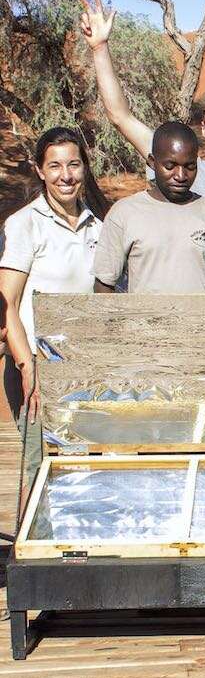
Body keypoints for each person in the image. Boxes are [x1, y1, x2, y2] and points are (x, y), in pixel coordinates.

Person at [79, 0, 205, 273]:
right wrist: (99, 48)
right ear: (203, 131)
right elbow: (121, 117)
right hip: (197, 299)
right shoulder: (184, 171)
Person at [0, 127, 110, 499]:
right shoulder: (24, 224)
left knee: (81, 462)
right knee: (39, 460)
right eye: (55, 166)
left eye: (74, 165)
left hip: (85, 366)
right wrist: (26, 366)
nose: (66, 176)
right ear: (40, 170)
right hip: (36, 366)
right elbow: (8, 304)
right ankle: (29, 551)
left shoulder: (99, 225)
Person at [92, 122, 205, 294]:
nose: (181, 176)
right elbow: (104, 285)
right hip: (145, 320)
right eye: (170, 166)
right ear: (152, 162)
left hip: (201, 320)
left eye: (190, 166)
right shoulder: (124, 213)